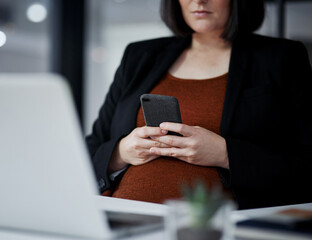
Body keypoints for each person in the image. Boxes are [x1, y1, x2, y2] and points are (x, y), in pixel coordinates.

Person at [86, 0, 312, 210]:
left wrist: (225, 154)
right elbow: (91, 145)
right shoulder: (139, 55)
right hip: (119, 217)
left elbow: (305, 165)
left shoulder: (281, 58)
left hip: (219, 226)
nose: (199, 0)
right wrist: (120, 153)